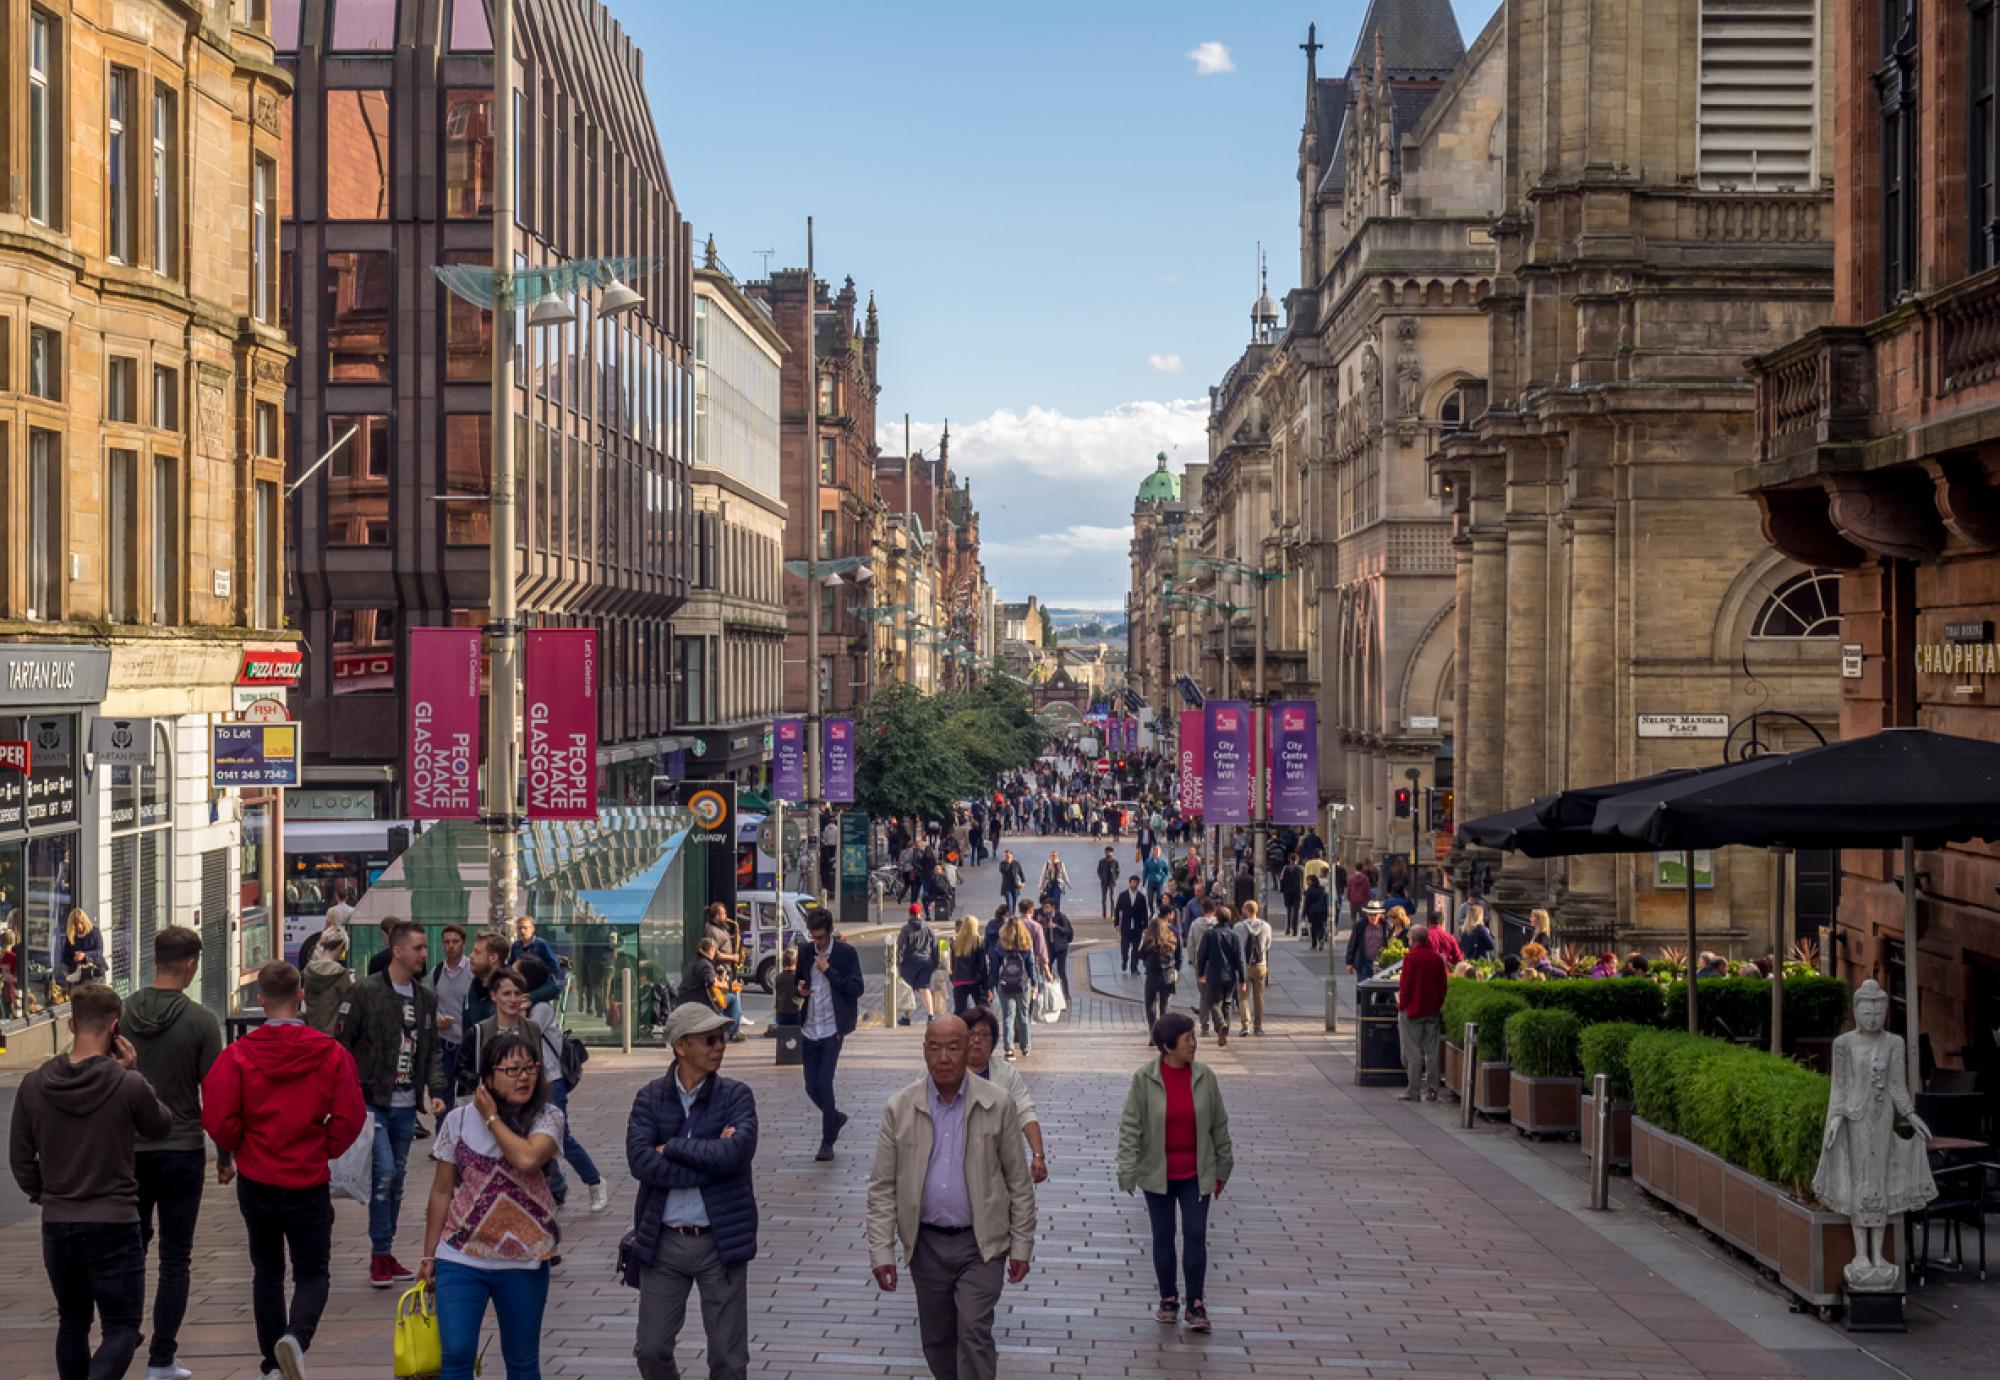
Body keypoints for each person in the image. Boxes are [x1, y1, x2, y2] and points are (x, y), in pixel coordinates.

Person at [204, 960, 367, 1380]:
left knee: (267, 1271)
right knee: (313, 1271)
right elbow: (351, 1115)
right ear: (300, 997)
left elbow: (218, 1116)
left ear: (260, 1000)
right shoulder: (330, 1053)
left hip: (258, 1177)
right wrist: (323, 1145)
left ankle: (270, 1365)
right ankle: (296, 1337)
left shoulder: (238, 1054)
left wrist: (242, 1144)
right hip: (308, 1177)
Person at [9, 983, 172, 1380]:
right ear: (116, 1029)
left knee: (72, 1321)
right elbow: (160, 1126)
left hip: (59, 1221)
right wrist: (134, 1073)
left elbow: (20, 1158)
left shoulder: (34, 1085)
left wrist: (46, 1193)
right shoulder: (127, 1084)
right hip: (113, 1220)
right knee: (121, 1326)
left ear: (70, 1024)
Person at [866, 1016, 1036, 1380]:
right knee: (938, 1339)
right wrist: (882, 1252)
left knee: (973, 1328)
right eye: (934, 1047)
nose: (944, 1057)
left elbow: (1019, 1183)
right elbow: (882, 1187)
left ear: (970, 1050)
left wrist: (1021, 1246)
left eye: (953, 1047)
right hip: (926, 1246)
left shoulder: (998, 1103)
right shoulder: (900, 1108)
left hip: (981, 1245)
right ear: (924, 1052)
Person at [417, 1031, 562, 1380]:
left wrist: (492, 1118)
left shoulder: (547, 1117)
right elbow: (441, 1191)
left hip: (523, 1257)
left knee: (522, 1360)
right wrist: (429, 1255)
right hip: (461, 1255)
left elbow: (527, 1159)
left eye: (530, 1068)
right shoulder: (458, 1120)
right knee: (457, 1353)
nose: (523, 1076)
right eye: (511, 1069)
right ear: (487, 1077)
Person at [627, 1003, 759, 1380]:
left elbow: (736, 1153)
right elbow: (640, 1163)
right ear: (682, 1046)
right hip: (664, 1242)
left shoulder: (736, 1096)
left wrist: (673, 1147)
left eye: (723, 1038)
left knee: (729, 1361)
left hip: (721, 1241)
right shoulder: (649, 1097)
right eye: (710, 1039)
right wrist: (709, 1160)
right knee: (651, 1350)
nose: (721, 1046)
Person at [122, 926, 227, 1380]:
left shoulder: (122, 1015)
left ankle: (120, 1339)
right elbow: (216, 1094)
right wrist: (225, 1154)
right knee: (175, 1256)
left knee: (130, 1249)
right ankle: (162, 1359)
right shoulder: (202, 1021)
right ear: (190, 965)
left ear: (154, 960)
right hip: (182, 1147)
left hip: (129, 1149)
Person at [334, 919, 450, 1287]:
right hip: (372, 1101)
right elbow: (340, 1043)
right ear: (397, 951)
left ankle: (383, 1253)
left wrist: (437, 1092)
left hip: (404, 1105)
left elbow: (430, 1051)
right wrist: (347, 1091)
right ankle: (379, 1253)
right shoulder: (365, 992)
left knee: (397, 1178)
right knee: (383, 1172)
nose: (424, 955)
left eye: (424, 949)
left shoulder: (425, 998)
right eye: (418, 948)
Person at [1116, 1012, 1232, 1334]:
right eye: (1188, 1039)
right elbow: (1130, 1127)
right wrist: (1127, 1168)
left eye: (1194, 1037)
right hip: (1158, 1174)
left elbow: (1219, 1125)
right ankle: (1168, 1298)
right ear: (1168, 1045)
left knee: (1195, 1236)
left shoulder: (1205, 1077)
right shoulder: (1144, 1079)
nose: (1195, 1044)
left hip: (1195, 1173)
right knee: (1163, 1238)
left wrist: (1224, 1166)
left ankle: (1196, 1304)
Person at [466, 966, 609, 1214]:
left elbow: (553, 987)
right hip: (516, 1088)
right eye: (507, 993)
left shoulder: (537, 1014)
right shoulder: (490, 1023)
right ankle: (555, 1185)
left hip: (549, 1082)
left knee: (558, 1138)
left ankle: (594, 1181)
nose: (514, 999)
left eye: (518, 991)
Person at [794, 907, 864, 1161]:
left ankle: (827, 1142)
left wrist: (828, 971)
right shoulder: (805, 952)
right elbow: (799, 980)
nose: (818, 943)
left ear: (831, 932)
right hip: (810, 1027)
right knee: (811, 1086)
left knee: (825, 1082)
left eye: (822, 938)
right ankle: (834, 1117)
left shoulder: (846, 954)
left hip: (833, 1028)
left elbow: (856, 988)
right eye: (814, 938)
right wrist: (800, 988)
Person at [961, 1006, 1048, 1182]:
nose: (976, 1040)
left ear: (993, 1042)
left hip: (995, 1166)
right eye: (971, 1034)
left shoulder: (1007, 1074)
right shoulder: (941, 1071)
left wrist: (1038, 1154)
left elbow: (1025, 1111)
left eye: (984, 1035)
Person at [1396, 925, 1448, 1101]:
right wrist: (1438, 1003)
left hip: (1412, 1011)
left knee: (1412, 1053)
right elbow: (1443, 985)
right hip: (1432, 1010)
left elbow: (1406, 986)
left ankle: (1413, 1090)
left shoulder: (1411, 958)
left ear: (1414, 940)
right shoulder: (1437, 958)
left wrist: (1402, 1006)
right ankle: (1433, 1089)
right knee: (1432, 1051)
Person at [431, 925, 474, 1096]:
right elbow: (431, 1003)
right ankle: (443, 1123)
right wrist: (436, 1018)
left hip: (467, 1042)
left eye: (455, 941)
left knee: (467, 1093)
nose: (451, 945)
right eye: (447, 942)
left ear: (464, 944)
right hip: (444, 1042)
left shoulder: (473, 970)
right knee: (443, 1090)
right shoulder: (437, 971)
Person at [1193, 908, 1244, 1050]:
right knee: (1227, 1003)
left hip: (1214, 974)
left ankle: (1221, 1025)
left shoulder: (1209, 934)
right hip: (1230, 975)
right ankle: (1224, 1030)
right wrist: (1243, 979)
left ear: (1217, 918)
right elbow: (1240, 959)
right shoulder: (1235, 935)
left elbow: (1201, 955)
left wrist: (1201, 973)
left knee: (1213, 1002)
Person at [994, 915, 1038, 1060]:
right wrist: (1034, 983)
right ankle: (1025, 1047)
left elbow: (994, 966)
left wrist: (993, 983)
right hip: (1022, 984)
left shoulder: (1001, 944)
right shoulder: (1026, 943)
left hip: (1005, 983)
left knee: (1008, 1016)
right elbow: (1031, 966)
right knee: (1023, 1015)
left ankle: (1009, 1049)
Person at [302, 926, 353, 1034]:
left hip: (312, 1033)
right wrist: (353, 984)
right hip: (332, 1035)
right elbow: (350, 1002)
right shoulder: (340, 973)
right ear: (341, 947)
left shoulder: (308, 970)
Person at [1235, 901, 1273, 1037]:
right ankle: (1258, 1026)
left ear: (1246, 910)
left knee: (1243, 997)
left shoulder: (1238, 927)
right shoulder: (1266, 926)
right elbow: (1268, 945)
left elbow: (1236, 946)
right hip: (1260, 965)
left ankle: (1245, 1025)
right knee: (1259, 996)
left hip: (1244, 966)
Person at [898, 905, 941, 1024]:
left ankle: (906, 1018)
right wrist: (935, 962)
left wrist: (898, 964)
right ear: (920, 913)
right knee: (925, 988)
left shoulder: (905, 929)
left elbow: (901, 949)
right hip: (926, 962)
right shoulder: (928, 928)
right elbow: (935, 947)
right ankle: (931, 1016)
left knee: (908, 989)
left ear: (909, 914)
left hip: (909, 963)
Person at [1139, 913, 1180, 1028]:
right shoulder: (1171, 941)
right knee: (1164, 1006)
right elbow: (1177, 956)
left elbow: (1141, 955)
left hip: (1152, 976)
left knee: (1150, 1004)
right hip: (1167, 976)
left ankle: (1153, 1030)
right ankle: (1163, 1031)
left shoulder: (1148, 943)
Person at [1183, 902, 1218, 1033]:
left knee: (1203, 995)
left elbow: (1190, 943)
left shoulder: (1196, 924)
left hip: (1201, 963)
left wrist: (1192, 959)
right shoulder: (1217, 924)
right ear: (1214, 910)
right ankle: (1218, 1022)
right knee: (1216, 994)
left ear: (1203, 910)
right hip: (1216, 964)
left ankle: (1205, 1026)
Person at [508, 916, 562, 988]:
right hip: (521, 982)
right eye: (519, 928)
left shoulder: (541, 944)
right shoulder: (516, 945)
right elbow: (511, 964)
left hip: (540, 983)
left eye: (525, 928)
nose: (522, 930)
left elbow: (554, 965)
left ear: (532, 929)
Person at [949, 915, 987, 1015]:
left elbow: (952, 963)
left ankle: (961, 1028)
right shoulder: (979, 942)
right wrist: (986, 985)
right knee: (981, 1010)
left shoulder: (955, 942)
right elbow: (982, 966)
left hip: (959, 980)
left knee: (960, 1011)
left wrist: (952, 977)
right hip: (974, 980)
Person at [61, 907, 105, 988]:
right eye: (76, 924)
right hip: (78, 976)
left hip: (95, 973)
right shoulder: (71, 936)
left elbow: (99, 951)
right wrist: (74, 960)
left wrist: (84, 955)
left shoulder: (94, 931)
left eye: (81, 923)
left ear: (85, 921)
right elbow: (64, 957)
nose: (79, 926)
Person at [1114, 875, 1148, 976]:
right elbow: (1117, 910)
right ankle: (1124, 961)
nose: (1134, 884)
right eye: (1132, 882)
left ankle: (1134, 967)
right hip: (1125, 926)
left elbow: (1145, 912)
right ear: (1129, 883)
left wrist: (1145, 926)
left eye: (1136, 883)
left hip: (1137, 927)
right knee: (1124, 947)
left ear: (1138, 884)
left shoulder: (1141, 897)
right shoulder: (1123, 895)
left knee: (1136, 948)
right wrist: (1116, 924)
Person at [1345, 902, 1388, 983]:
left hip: (1382, 963)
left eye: (1375, 914)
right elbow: (1352, 944)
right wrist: (1349, 962)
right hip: (1364, 962)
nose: (1373, 917)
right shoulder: (1359, 926)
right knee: (1364, 990)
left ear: (1380, 914)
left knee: (1382, 991)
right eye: (1370, 915)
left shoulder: (1386, 926)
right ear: (1367, 914)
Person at [1042, 901, 1074, 1003]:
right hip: (1050, 948)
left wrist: (1056, 926)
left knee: (1061, 972)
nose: (1045, 910)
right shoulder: (1045, 918)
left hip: (1061, 948)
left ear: (1053, 907)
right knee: (1047, 970)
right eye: (1044, 907)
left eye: (1047, 907)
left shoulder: (1061, 917)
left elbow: (1067, 931)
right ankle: (1049, 994)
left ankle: (1066, 995)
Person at [1277, 853, 1305, 937]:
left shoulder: (1286, 868)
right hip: (1298, 892)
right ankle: (1295, 930)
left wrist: (1281, 890)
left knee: (1288, 910)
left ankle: (1288, 929)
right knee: (1296, 911)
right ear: (1297, 860)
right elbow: (1304, 880)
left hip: (1288, 892)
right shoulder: (1301, 869)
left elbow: (1281, 880)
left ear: (1290, 860)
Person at [1303, 875, 1330, 952]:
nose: (1307, 882)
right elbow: (1326, 901)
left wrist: (1303, 914)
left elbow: (1306, 903)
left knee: (1313, 927)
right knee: (1321, 926)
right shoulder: (1323, 889)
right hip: (1322, 911)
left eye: (1308, 880)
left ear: (1312, 881)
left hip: (1312, 912)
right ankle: (1321, 938)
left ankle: (1314, 944)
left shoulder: (1309, 890)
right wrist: (1327, 911)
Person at [996, 851, 1025, 915]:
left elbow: (1020, 873)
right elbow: (1003, 871)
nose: (1006, 857)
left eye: (1008, 856)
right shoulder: (1002, 863)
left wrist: (1023, 882)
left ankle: (1012, 916)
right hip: (1006, 887)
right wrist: (1008, 863)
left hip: (1015, 886)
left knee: (1014, 903)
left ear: (1011, 855)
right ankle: (1010, 917)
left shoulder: (1016, 863)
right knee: (1009, 903)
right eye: (1005, 856)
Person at [1096, 847, 1121, 918]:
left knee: (1112, 899)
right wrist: (1101, 877)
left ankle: (1112, 914)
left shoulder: (1115, 862)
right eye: (1107, 852)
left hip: (1112, 882)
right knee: (1104, 899)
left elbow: (1118, 872)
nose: (1109, 853)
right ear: (1105, 853)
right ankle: (1104, 914)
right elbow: (1098, 871)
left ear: (1112, 853)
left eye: (1110, 852)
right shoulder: (1101, 861)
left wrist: (1115, 878)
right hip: (1103, 882)